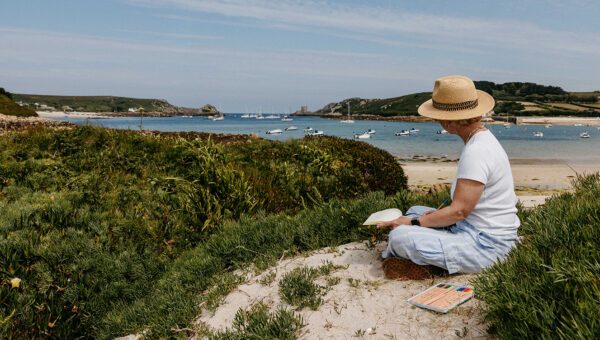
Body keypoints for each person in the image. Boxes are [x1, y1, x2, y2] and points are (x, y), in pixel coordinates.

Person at [378, 75, 520, 280]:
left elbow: (459, 211)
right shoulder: (481, 140)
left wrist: (414, 224)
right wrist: (418, 219)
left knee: (400, 237)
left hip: (488, 245)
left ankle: (430, 265)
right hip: (475, 229)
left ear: (447, 121)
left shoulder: (477, 151)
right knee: (415, 211)